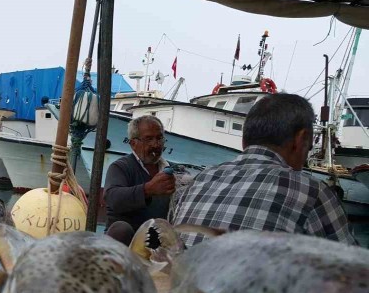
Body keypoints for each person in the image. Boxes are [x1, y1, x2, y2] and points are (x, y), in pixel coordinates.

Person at [173, 93, 357, 246]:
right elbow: (352, 272)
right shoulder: (313, 192)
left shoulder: (199, 180)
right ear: (301, 139)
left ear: (244, 140)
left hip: (183, 287)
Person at [103, 115, 176, 244]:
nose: (156, 144)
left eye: (159, 138)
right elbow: (113, 198)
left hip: (158, 243)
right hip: (126, 245)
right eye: (148, 139)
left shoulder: (171, 170)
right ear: (133, 144)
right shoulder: (120, 167)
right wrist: (148, 189)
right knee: (121, 229)